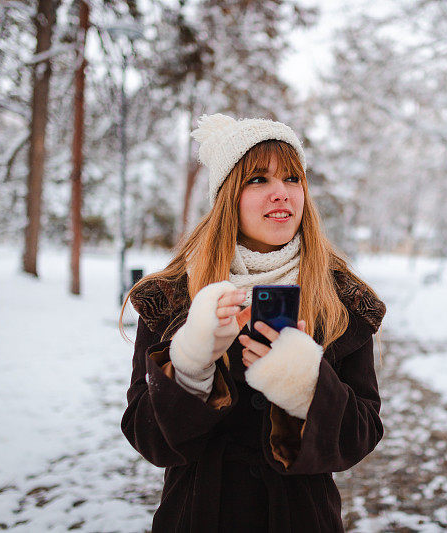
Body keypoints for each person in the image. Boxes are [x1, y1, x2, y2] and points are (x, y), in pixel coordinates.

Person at [118, 112, 387, 532]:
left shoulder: (342, 300)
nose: (281, 193)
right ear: (228, 196)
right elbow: (148, 437)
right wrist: (190, 364)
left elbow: (361, 435)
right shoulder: (172, 296)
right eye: (258, 179)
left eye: (293, 179)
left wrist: (306, 385)